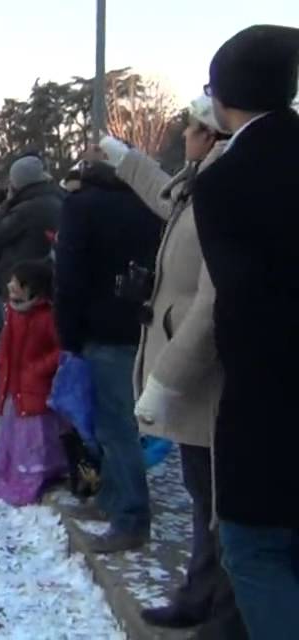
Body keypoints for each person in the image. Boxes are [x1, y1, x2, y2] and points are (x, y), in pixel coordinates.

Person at [101, 96, 243, 635]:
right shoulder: (197, 188)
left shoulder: (220, 193)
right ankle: (199, 595)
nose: (182, 134)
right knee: (203, 496)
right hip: (187, 362)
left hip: (199, 369)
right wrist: (123, 157)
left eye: (188, 127)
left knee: (218, 502)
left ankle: (216, 608)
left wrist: (166, 379)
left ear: (208, 136)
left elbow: (210, 300)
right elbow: (165, 197)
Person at [192, 24, 299, 637]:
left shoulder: (228, 179)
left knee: (254, 550)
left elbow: (239, 303)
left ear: (225, 95)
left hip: (267, 398)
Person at [54, 160, 163, 554]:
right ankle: (114, 501)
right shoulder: (150, 203)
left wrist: (67, 333)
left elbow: (67, 274)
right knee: (121, 423)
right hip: (145, 325)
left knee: (113, 427)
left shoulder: (82, 207)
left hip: (100, 327)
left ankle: (130, 516)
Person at [0, 260, 66, 506]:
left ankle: (34, 480)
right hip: (14, 386)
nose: (10, 285)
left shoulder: (46, 317)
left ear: (32, 288)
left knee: (35, 440)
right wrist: (1, 363)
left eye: (17, 282)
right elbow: (6, 346)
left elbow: (61, 350)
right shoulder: (12, 312)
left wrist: (38, 369)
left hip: (35, 389)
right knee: (15, 437)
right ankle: (13, 479)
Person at [0, 154, 63, 334]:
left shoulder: (25, 210)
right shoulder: (58, 200)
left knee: (16, 341)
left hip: (21, 285)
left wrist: (7, 204)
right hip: (46, 282)